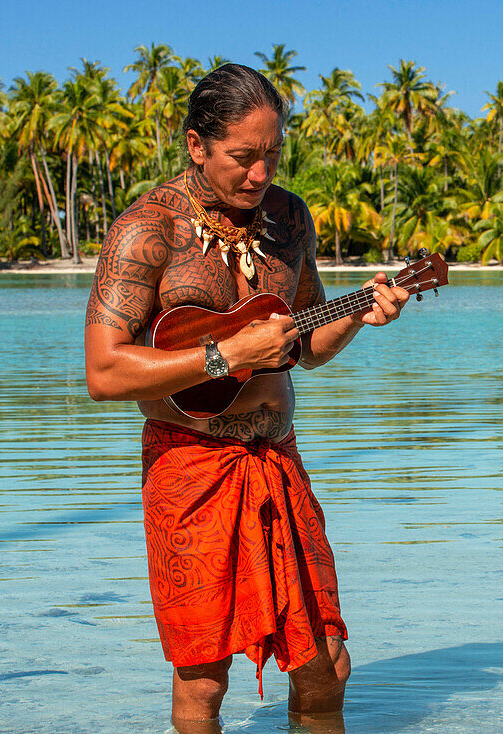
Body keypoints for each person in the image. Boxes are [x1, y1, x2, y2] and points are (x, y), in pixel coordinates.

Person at [83, 63, 409, 733]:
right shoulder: (148, 230)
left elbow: (306, 347)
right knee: (203, 679)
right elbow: (104, 373)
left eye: (273, 155)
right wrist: (224, 355)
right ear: (197, 146)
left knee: (326, 661)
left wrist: (357, 317)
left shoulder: (290, 220)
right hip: (190, 469)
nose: (261, 174)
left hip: (277, 460)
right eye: (243, 156)